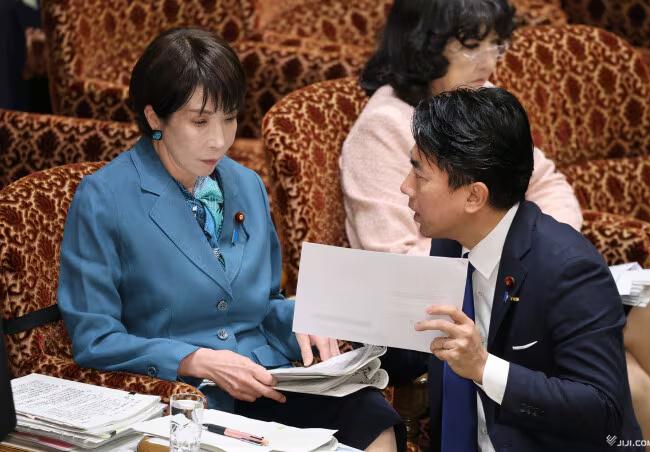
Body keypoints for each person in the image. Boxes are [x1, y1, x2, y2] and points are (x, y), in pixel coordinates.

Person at [57, 27, 403, 451]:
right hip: (187, 395)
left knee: (369, 414)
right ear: (154, 118)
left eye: (230, 118)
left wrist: (304, 319)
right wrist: (195, 360)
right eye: (200, 121)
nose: (220, 140)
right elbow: (95, 338)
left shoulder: (246, 183)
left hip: (268, 377)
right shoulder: (104, 197)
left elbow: (265, 302)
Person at [386, 86, 643, 451]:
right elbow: (423, 348)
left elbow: (602, 409)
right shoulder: (450, 242)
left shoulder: (569, 268)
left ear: (474, 196)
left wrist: (484, 368)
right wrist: (354, 329)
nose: (405, 187)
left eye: (420, 174)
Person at [340, 0, 582, 256]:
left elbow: (546, 185)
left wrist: (544, 251)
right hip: (439, 280)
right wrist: (505, 259)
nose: (489, 63)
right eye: (472, 46)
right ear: (423, 45)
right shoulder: (382, 128)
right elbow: (397, 255)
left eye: (495, 44)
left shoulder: (481, 97)